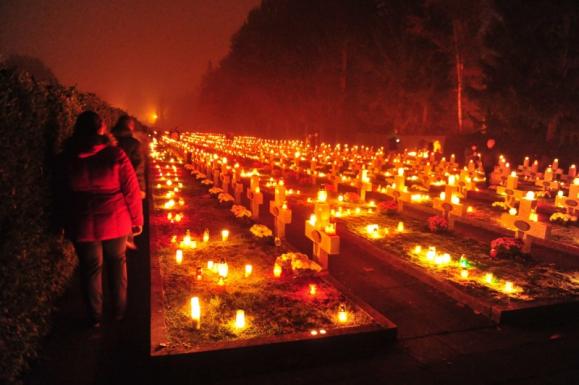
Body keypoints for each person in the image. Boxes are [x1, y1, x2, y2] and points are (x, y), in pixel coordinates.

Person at [56, 111, 143, 327]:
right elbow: (131, 190)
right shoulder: (115, 154)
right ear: (101, 129)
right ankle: (119, 311)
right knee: (117, 263)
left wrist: (64, 222)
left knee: (91, 269)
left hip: (83, 221)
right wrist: (136, 220)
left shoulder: (66, 157)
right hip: (115, 219)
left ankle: (95, 317)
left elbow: (61, 193)